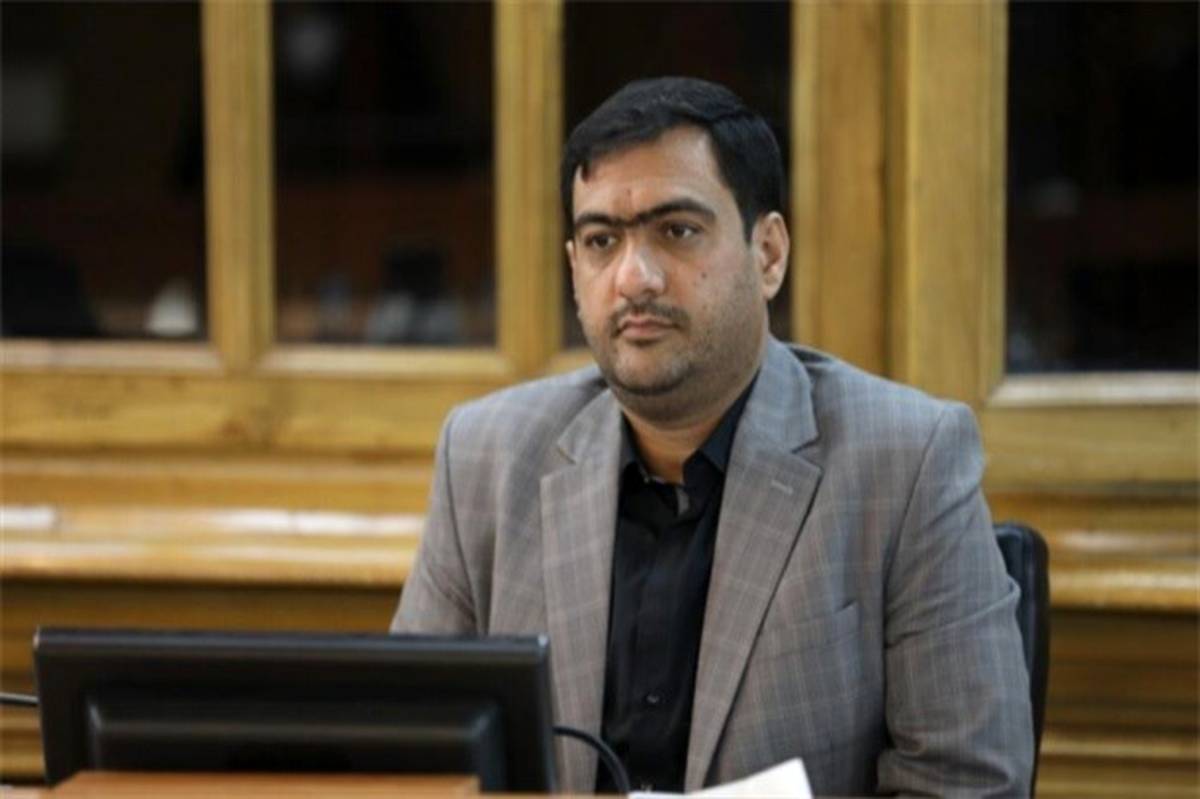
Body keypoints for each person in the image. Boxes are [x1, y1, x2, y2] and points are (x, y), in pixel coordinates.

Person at [392, 77, 1033, 796]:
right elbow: (412, 757)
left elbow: (968, 783)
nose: (634, 278)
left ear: (769, 254)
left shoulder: (907, 462)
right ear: (575, 270)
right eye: (602, 241)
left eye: (677, 231)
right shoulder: (486, 456)